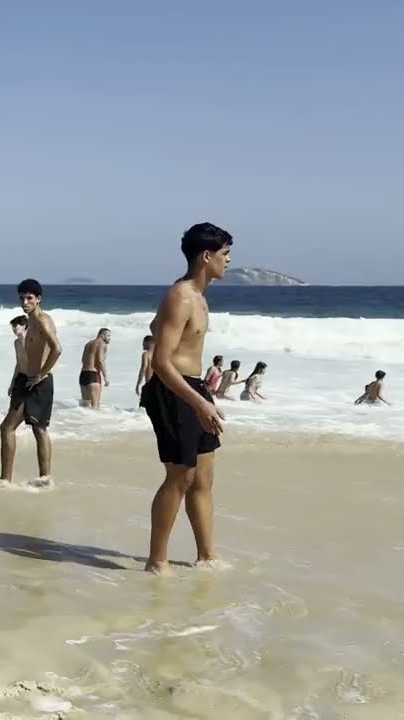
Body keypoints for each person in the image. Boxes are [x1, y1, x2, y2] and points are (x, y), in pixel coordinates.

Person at [141, 222, 233, 576]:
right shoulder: (181, 295)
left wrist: (202, 396)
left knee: (204, 478)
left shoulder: (198, 296)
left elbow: (155, 326)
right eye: (224, 255)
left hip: (193, 386)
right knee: (180, 476)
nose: (227, 261)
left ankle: (207, 556)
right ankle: (157, 561)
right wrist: (200, 403)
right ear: (206, 256)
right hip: (172, 389)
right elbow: (162, 362)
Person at [0, 280, 61, 485]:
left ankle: (45, 478)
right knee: (7, 426)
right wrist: (16, 380)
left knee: (39, 429)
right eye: (21, 298)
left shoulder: (43, 321)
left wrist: (42, 374)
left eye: (29, 298)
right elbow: (23, 358)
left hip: (40, 382)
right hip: (25, 381)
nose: (24, 302)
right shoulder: (29, 322)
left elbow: (57, 349)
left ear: (38, 299)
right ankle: (5, 480)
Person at [78, 328, 111, 408]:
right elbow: (100, 360)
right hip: (93, 375)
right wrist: (105, 377)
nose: (110, 338)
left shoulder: (88, 343)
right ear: (102, 335)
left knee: (85, 405)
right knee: (95, 406)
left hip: (83, 374)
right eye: (108, 335)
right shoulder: (102, 344)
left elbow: (83, 359)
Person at [136, 335, 154, 405]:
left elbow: (144, 368)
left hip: (150, 383)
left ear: (149, 343)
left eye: (144, 343)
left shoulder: (146, 354)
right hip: (160, 383)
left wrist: (138, 384)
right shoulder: (159, 353)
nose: (142, 345)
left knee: (144, 405)